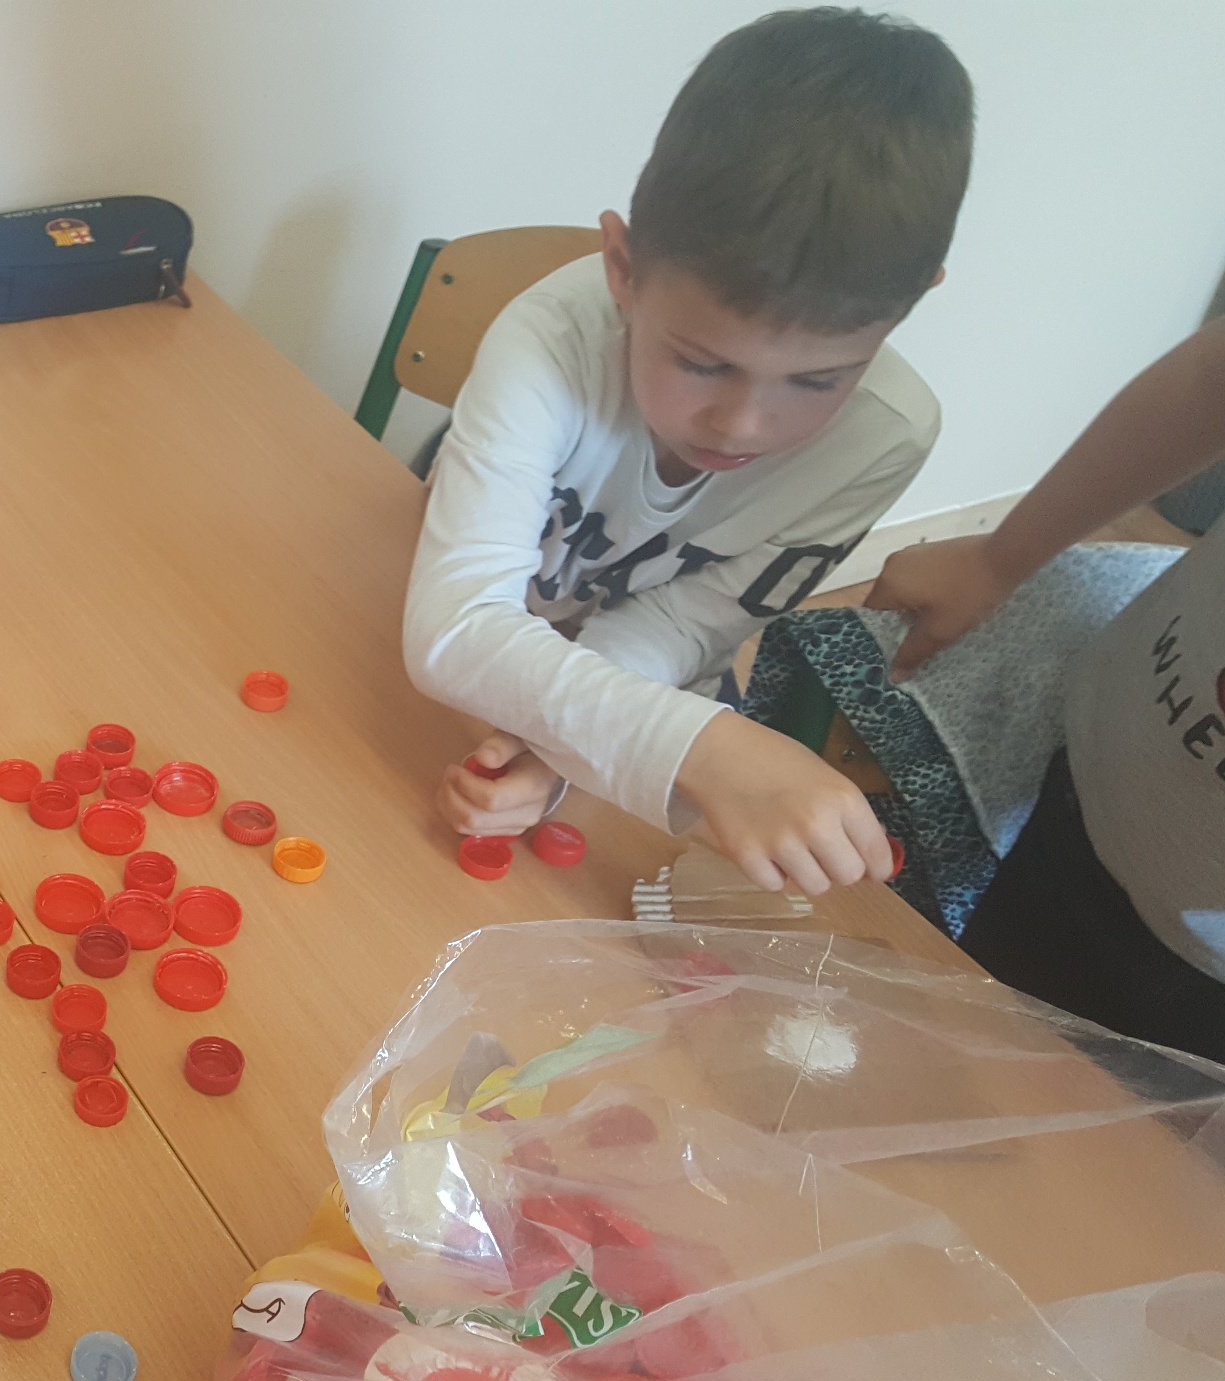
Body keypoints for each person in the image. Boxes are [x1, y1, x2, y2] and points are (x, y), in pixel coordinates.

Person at [404, 8, 971, 894]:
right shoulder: (547, 341)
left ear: (906, 310)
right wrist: (700, 746)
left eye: (817, 381)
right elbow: (456, 625)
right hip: (461, 596)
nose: (742, 426)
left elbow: (683, 624)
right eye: (703, 364)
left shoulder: (886, 438)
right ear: (622, 268)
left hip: (613, 668)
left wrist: (563, 750)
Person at [867, 311, 1225, 1064]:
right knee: (967, 1052)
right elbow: (1215, 377)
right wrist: (1001, 558)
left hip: (1218, 995)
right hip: (1088, 798)